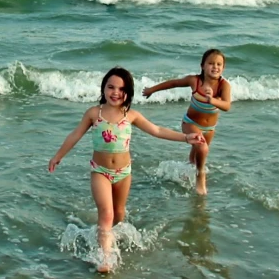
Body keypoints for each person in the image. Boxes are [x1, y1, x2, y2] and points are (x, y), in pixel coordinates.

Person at [48, 66, 204, 272]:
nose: (115, 92)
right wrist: (58, 156)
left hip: (124, 173)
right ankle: (105, 258)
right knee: (106, 213)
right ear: (103, 88)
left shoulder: (131, 115)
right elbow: (75, 135)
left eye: (121, 89)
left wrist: (185, 138)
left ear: (128, 92)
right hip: (100, 171)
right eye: (111, 87)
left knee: (119, 214)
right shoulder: (94, 113)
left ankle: (108, 237)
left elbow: (157, 130)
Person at [142, 49, 231, 195]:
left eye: (219, 64)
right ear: (202, 65)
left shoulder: (223, 86)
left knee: (196, 156)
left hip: (210, 128)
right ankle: (200, 176)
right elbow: (174, 83)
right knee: (202, 148)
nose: (215, 67)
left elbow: (227, 106)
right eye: (211, 63)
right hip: (190, 123)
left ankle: (187, 175)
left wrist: (212, 100)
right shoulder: (194, 81)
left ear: (223, 68)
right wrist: (152, 89)